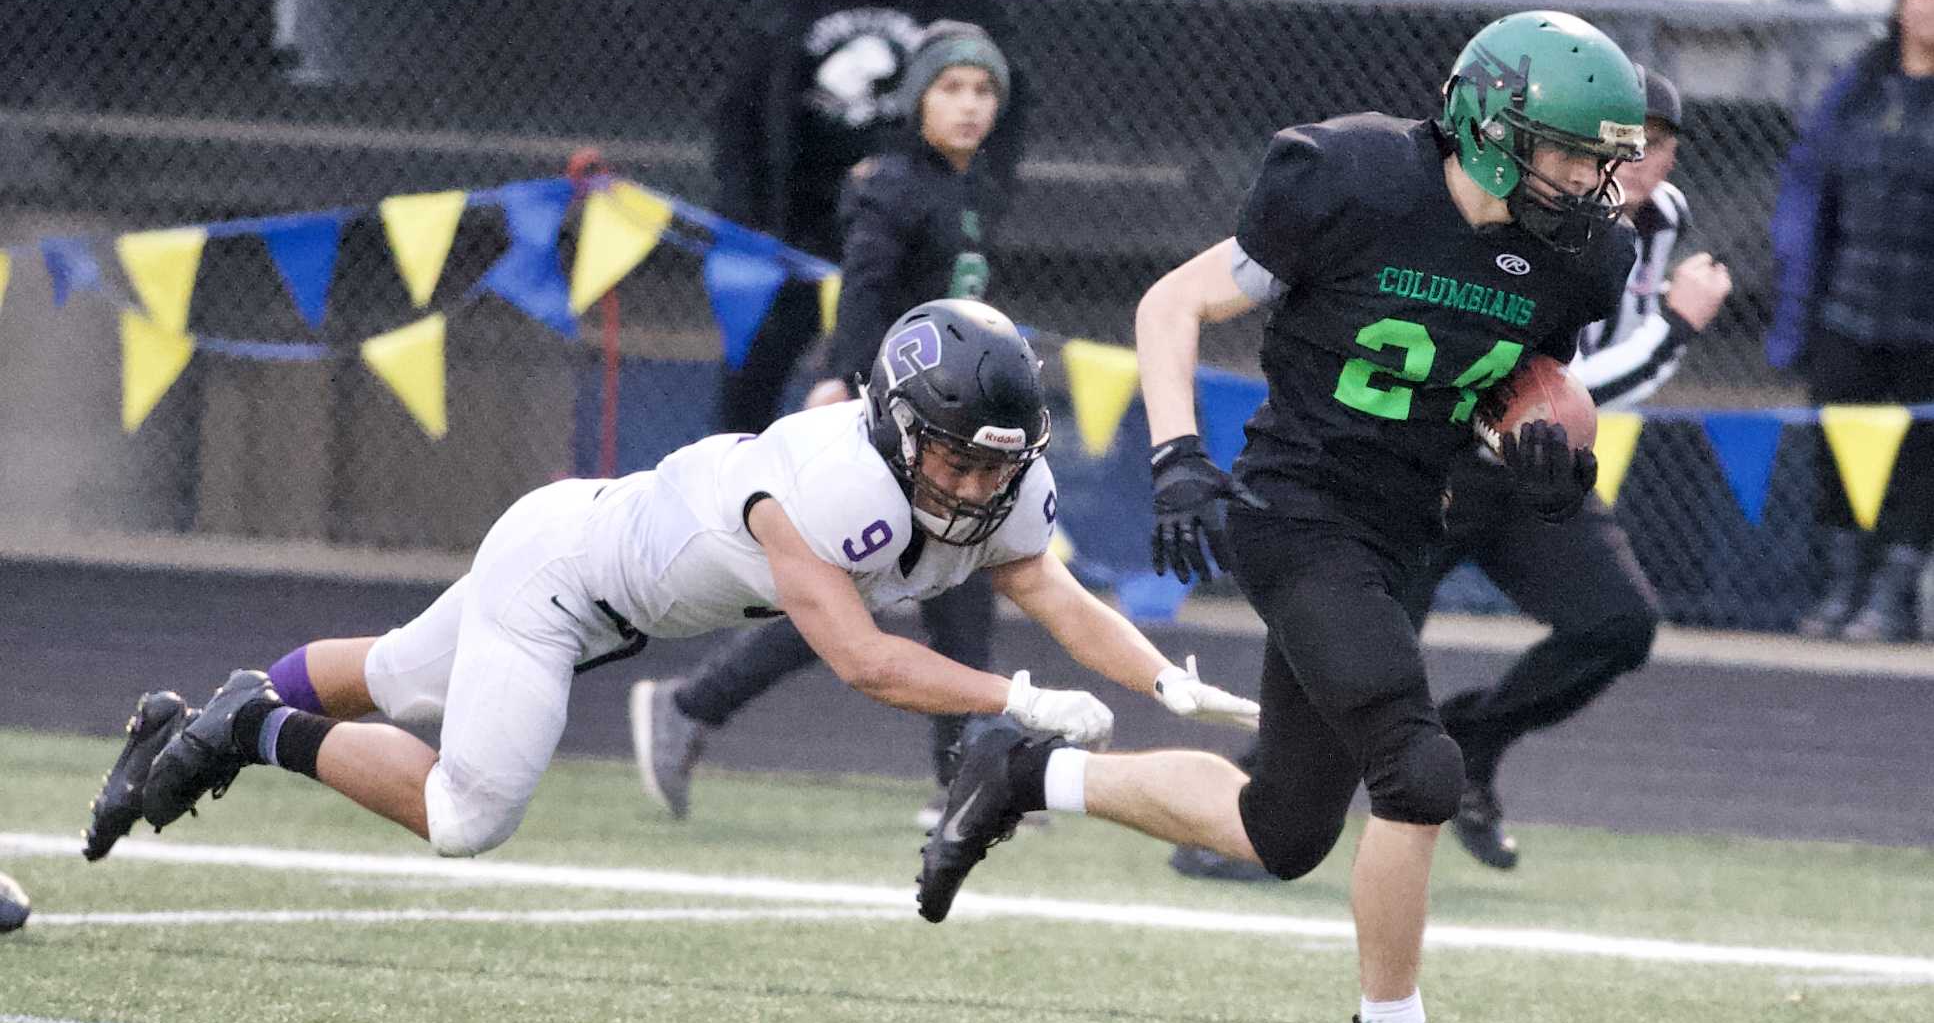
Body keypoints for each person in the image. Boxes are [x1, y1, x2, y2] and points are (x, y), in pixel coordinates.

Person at [916, 11, 1646, 1023]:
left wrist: (1539, 458)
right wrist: (1174, 455)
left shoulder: (1581, 252)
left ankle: (1021, 772)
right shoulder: (1349, 176)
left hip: (1405, 522)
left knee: (1281, 829)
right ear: (1489, 127)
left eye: (1602, 162)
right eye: (1570, 152)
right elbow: (1173, 301)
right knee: (1421, 768)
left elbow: (1506, 383)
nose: (1592, 183)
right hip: (1297, 510)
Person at [82, 302, 1257, 866]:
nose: (974, 481)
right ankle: (249, 723)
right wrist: (1015, 701)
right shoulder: (829, 486)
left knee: (394, 672)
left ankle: (195, 720)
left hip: (572, 539)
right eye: (955, 453)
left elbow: (1052, 595)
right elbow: (859, 659)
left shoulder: (996, 480)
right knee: (464, 817)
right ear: (898, 429)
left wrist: (1160, 676)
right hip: (557, 584)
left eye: (998, 459)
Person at [1169, 68, 1734, 878]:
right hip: (1413, 463)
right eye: (1591, 144)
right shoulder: (1401, 188)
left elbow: (1555, 380)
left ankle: (1471, 746)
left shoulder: (1614, 238)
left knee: (1616, 622)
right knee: (1358, 662)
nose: (1618, 164)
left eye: (1643, 144)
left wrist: (1556, 450)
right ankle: (1267, 810)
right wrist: (1675, 329)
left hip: (1520, 461)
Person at [633, 22, 1016, 823]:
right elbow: (866, 291)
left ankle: (698, 708)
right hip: (894, 419)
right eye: (951, 88)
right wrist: (849, 382)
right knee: (877, 594)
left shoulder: (974, 188)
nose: (970, 105)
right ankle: (962, 779)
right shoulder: (896, 185)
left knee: (916, 593)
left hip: (941, 424)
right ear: (918, 101)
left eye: (983, 91)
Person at [710, 0, 1028, 435]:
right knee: (759, 359)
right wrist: (746, 215)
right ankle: (736, 464)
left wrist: (986, 187)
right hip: (802, 225)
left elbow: (1009, 95)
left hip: (913, 208)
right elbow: (738, 110)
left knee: (924, 349)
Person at [1770, 0, 1934, 643]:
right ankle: (1840, 586)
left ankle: (1891, 596)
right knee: (1838, 449)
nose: (1926, 8)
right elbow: (1809, 184)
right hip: (1845, 306)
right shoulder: (1859, 84)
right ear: (1901, 0)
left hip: (1924, 321)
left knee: (1916, 457)